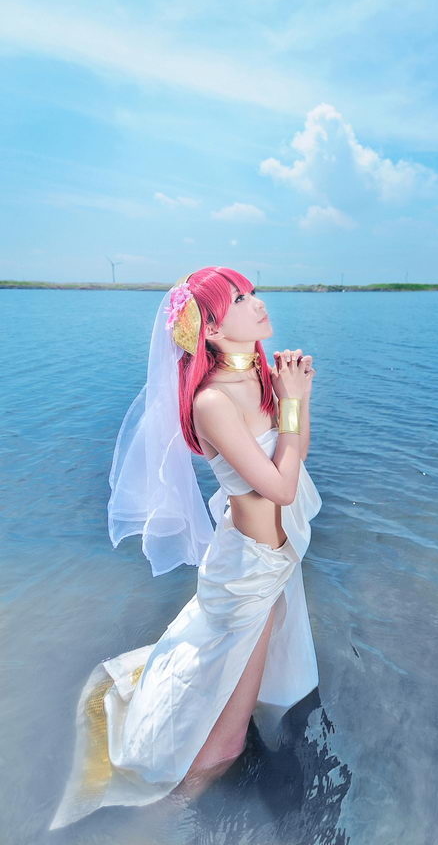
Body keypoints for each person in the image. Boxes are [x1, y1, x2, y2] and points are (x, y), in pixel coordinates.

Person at [48, 266, 321, 830]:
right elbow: (280, 486)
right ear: (212, 330)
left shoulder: (262, 377)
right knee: (224, 745)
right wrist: (294, 402)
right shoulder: (211, 402)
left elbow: (295, 452)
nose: (258, 303)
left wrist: (297, 397)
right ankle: (148, 827)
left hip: (274, 561)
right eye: (240, 299)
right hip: (247, 570)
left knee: (240, 688)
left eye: (252, 292)